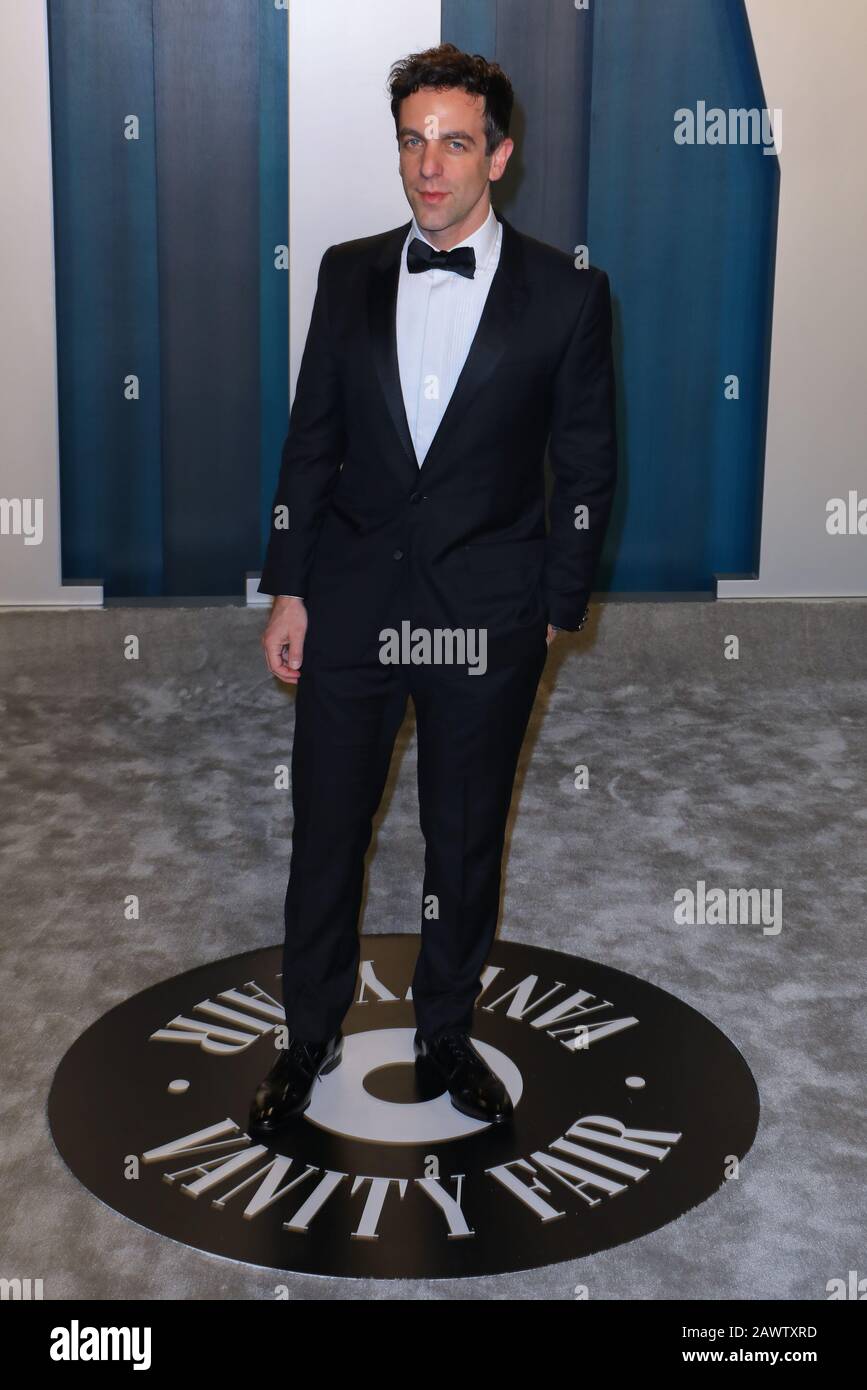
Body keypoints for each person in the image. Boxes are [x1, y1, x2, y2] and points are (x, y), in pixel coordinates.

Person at [249, 42, 617, 1135]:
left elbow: (587, 466)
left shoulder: (569, 294)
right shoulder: (346, 269)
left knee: (462, 838)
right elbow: (310, 441)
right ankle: (307, 1031)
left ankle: (445, 1032)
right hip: (354, 600)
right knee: (327, 830)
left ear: (499, 155)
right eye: (413, 140)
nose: (429, 166)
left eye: (455, 142)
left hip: (487, 615)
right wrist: (290, 587)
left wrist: (557, 604)